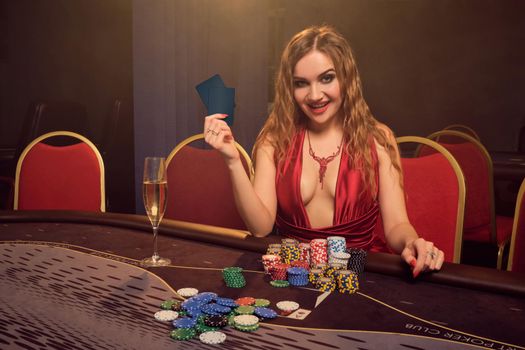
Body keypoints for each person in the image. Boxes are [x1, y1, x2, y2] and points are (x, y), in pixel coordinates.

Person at [204, 25, 444, 277]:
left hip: (359, 275)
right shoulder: (274, 139)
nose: (315, 95)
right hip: (293, 277)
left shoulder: (378, 138)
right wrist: (232, 160)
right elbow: (261, 228)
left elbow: (396, 224)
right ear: (290, 88)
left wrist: (410, 242)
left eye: (326, 78)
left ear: (346, 78)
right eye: (301, 83)